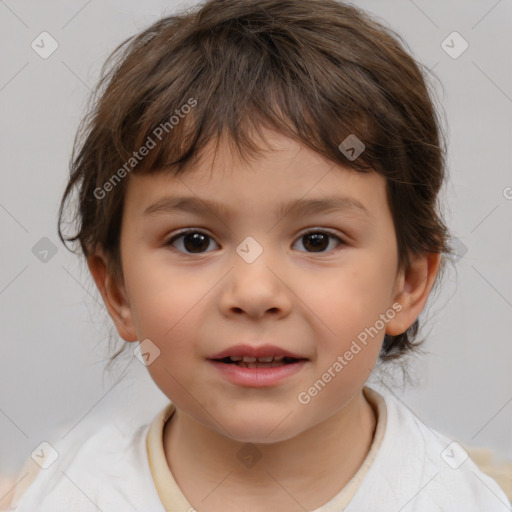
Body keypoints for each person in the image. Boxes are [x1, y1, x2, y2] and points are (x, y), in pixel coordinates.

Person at [10, 0, 510, 510]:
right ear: (117, 289)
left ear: (407, 283)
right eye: (194, 241)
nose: (254, 293)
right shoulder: (53, 496)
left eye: (317, 240)